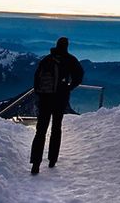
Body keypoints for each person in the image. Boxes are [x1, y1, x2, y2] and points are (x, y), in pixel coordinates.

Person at [29, 36, 84, 174]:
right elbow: (79, 76)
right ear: (66, 46)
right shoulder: (70, 60)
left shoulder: (46, 59)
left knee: (40, 131)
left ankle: (35, 163)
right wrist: (69, 87)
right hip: (60, 100)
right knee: (56, 128)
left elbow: (36, 81)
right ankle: (52, 159)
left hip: (45, 100)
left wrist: (41, 94)